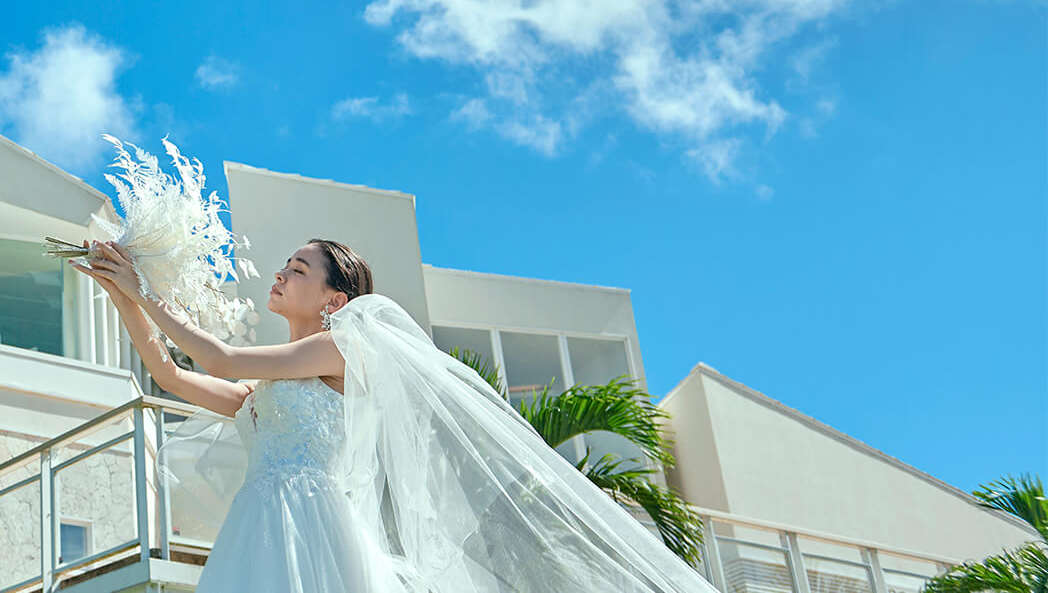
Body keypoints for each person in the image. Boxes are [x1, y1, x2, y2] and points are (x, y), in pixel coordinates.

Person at [74, 238, 717, 592]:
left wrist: (146, 289)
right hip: (262, 522)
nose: (280, 273)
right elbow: (171, 374)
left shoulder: (339, 348)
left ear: (334, 298)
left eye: (297, 269)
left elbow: (219, 355)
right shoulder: (262, 399)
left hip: (310, 527)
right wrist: (120, 294)